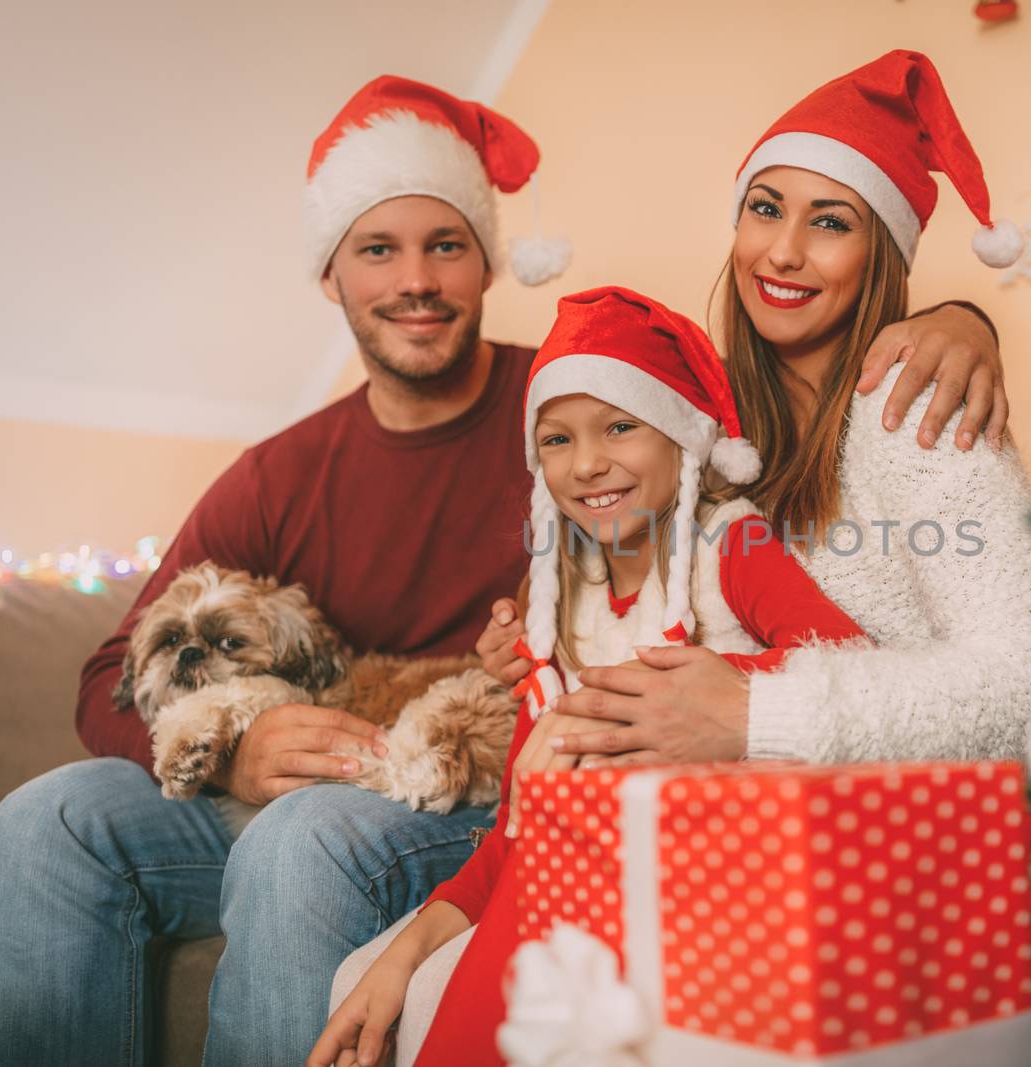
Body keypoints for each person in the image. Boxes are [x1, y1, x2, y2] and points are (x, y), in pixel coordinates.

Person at [0, 75, 568, 1067]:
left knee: (307, 833)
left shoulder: (569, 408)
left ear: (487, 263)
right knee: (51, 813)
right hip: (301, 801)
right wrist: (232, 758)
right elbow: (106, 675)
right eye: (378, 248)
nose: (415, 278)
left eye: (445, 244)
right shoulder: (279, 473)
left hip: (478, 801)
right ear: (331, 276)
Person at [310, 286, 869, 1067]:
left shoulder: (730, 549)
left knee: (505, 959)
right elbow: (512, 844)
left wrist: (625, 711)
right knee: (368, 977)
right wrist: (403, 953)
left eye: (619, 426)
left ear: (680, 436)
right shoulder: (559, 613)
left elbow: (856, 674)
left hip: (732, 878)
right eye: (558, 439)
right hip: (576, 872)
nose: (589, 462)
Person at [492, 50, 1031, 774]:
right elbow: (618, 541)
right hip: (717, 819)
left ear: (879, 254)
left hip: (895, 830)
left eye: (830, 223)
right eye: (764, 209)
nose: (784, 252)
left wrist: (757, 713)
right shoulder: (706, 417)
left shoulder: (917, 411)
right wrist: (539, 617)